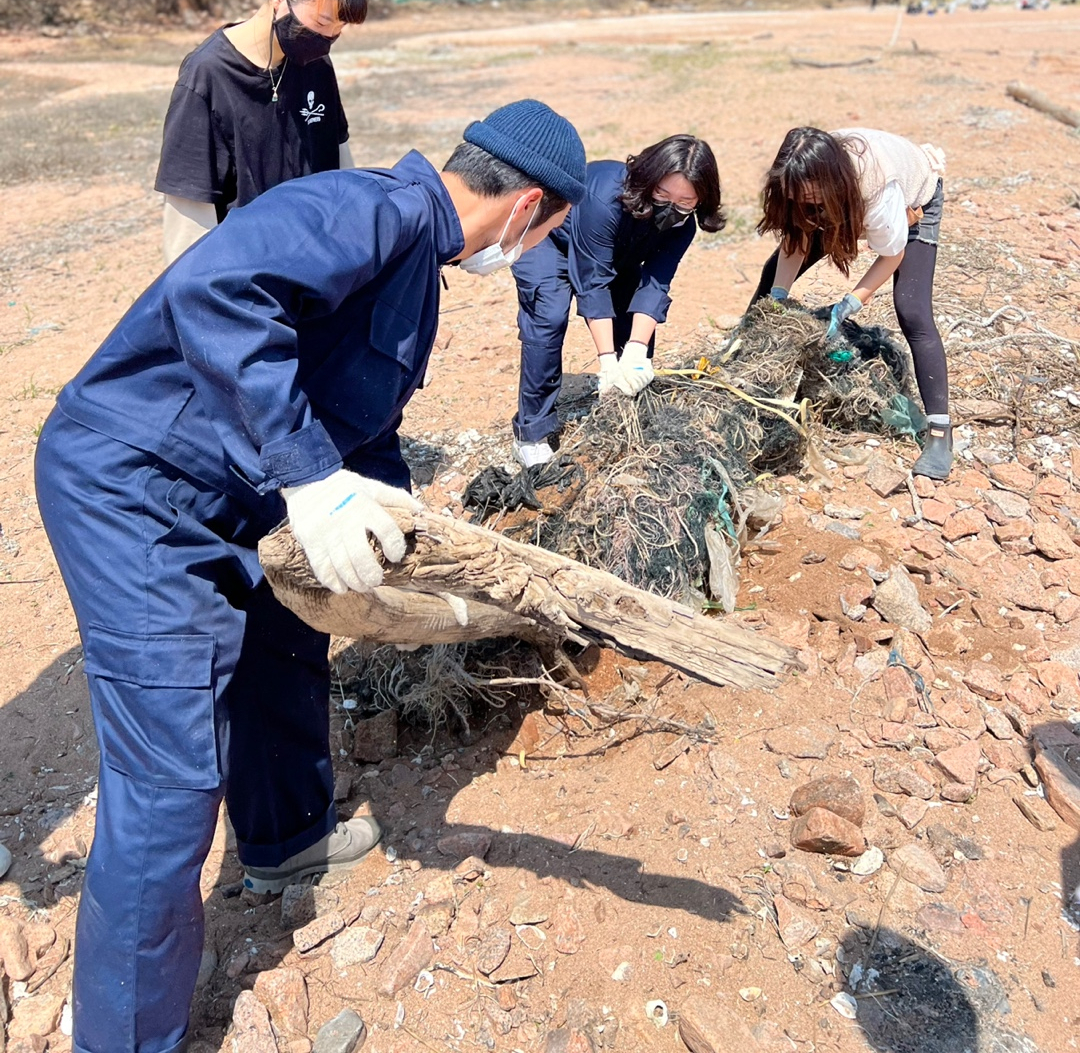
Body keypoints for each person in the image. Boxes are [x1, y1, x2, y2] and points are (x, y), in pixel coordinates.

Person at [34, 99, 586, 1053]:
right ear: (529, 206)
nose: (532, 255)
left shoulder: (419, 264)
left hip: (226, 492)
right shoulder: (372, 211)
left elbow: (363, 431)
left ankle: (285, 838)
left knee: (287, 636)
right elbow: (221, 294)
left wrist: (414, 549)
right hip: (136, 491)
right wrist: (305, 476)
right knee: (167, 781)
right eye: (546, 238)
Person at [155, 0, 368, 265]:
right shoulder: (207, 76)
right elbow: (188, 214)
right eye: (322, 22)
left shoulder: (316, 66)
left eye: (339, 29)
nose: (329, 38)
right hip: (245, 276)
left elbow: (341, 167)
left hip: (315, 266)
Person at [749, 126, 952, 480]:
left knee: (912, 310)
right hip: (841, 200)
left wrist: (850, 303)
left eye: (807, 192)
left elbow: (892, 254)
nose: (799, 197)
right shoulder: (799, 180)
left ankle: (940, 432)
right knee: (772, 276)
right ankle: (745, 358)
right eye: (794, 192)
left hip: (912, 202)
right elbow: (795, 241)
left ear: (830, 177)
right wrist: (777, 298)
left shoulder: (875, 186)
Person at [510, 134, 725, 468]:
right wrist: (607, 362)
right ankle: (531, 433)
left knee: (634, 329)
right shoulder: (605, 197)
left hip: (616, 256)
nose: (673, 207)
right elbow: (592, 282)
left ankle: (629, 410)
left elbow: (655, 282)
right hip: (549, 240)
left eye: (685, 201)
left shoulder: (683, 226)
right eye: (663, 194)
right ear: (649, 179)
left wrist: (636, 351)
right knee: (548, 316)